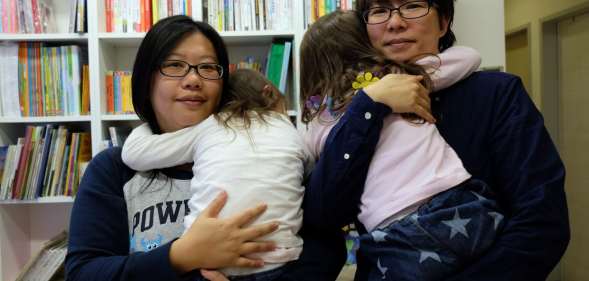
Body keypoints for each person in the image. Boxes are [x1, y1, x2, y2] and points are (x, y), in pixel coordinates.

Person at [305, 1, 569, 280]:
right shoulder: (348, 111)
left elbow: (541, 223)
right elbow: (323, 217)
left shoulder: (497, 93)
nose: (395, 23)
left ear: (443, 23)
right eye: (380, 11)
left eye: (413, 6)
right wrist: (368, 107)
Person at [65, 16, 282, 281]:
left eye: (207, 67)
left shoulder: (264, 153)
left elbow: (321, 245)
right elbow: (83, 274)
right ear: (147, 81)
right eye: (175, 65)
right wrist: (180, 256)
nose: (193, 79)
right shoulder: (114, 169)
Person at [120, 68, 308, 279]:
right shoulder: (289, 129)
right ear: (269, 93)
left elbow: (133, 154)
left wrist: (151, 120)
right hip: (278, 262)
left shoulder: (210, 126)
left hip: (209, 264)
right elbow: (308, 169)